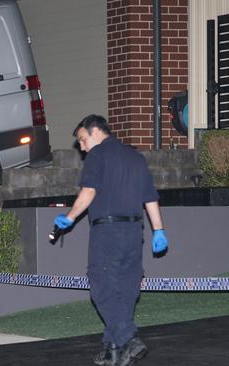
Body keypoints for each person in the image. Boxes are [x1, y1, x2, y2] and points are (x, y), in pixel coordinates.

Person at [53, 114, 169, 366]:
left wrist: (69, 217)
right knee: (126, 290)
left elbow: (89, 191)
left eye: (82, 140)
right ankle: (113, 349)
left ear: (95, 132)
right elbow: (150, 197)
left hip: (108, 232)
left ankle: (129, 339)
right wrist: (158, 230)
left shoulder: (98, 155)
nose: (82, 147)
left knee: (102, 287)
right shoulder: (135, 157)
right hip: (134, 232)